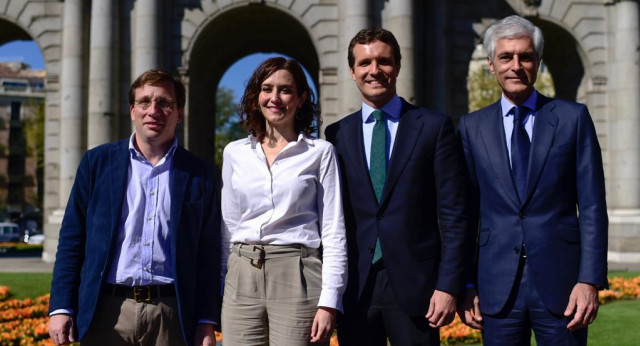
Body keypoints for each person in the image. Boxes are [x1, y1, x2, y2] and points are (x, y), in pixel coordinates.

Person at [457, 15, 608, 345]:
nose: (516, 65)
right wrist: (465, 285)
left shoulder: (573, 119)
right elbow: (465, 214)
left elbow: (594, 206)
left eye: (525, 56)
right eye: (506, 57)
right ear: (491, 65)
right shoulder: (471, 128)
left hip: (565, 286)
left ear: (537, 62)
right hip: (496, 288)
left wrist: (590, 280)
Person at [48, 69, 221, 346]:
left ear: (179, 114)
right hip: (106, 312)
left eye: (165, 103)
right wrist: (61, 307)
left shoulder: (200, 173)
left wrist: (206, 320)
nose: (154, 110)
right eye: (144, 102)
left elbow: (209, 253)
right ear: (132, 111)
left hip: (171, 315)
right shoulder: (97, 164)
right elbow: (72, 239)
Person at [324, 28, 470, 345]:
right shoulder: (336, 135)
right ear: (352, 71)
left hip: (419, 287)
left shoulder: (434, 127)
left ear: (398, 66)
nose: (374, 70)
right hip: (356, 287)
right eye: (364, 63)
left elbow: (454, 213)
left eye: (383, 61)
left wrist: (448, 286)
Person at [220, 57, 347, 345]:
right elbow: (227, 227)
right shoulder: (234, 153)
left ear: (301, 98)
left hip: (298, 274)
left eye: (285, 90)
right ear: (256, 97)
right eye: (267, 89)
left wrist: (329, 300)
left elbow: (333, 230)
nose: (274, 98)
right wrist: (221, 286)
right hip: (241, 274)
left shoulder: (320, 153)